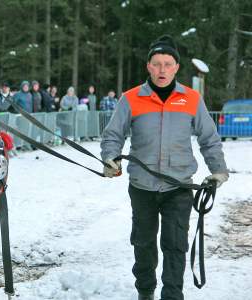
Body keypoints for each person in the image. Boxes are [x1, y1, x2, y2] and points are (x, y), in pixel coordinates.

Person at [100, 35, 229, 300]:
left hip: (179, 186)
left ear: (176, 67)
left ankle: (172, 295)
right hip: (142, 187)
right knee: (144, 244)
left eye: (167, 64)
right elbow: (113, 134)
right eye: (157, 63)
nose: (162, 70)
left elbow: (209, 138)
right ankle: (145, 292)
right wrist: (110, 157)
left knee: (174, 245)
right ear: (148, 66)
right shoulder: (131, 98)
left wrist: (218, 170)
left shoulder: (191, 99)